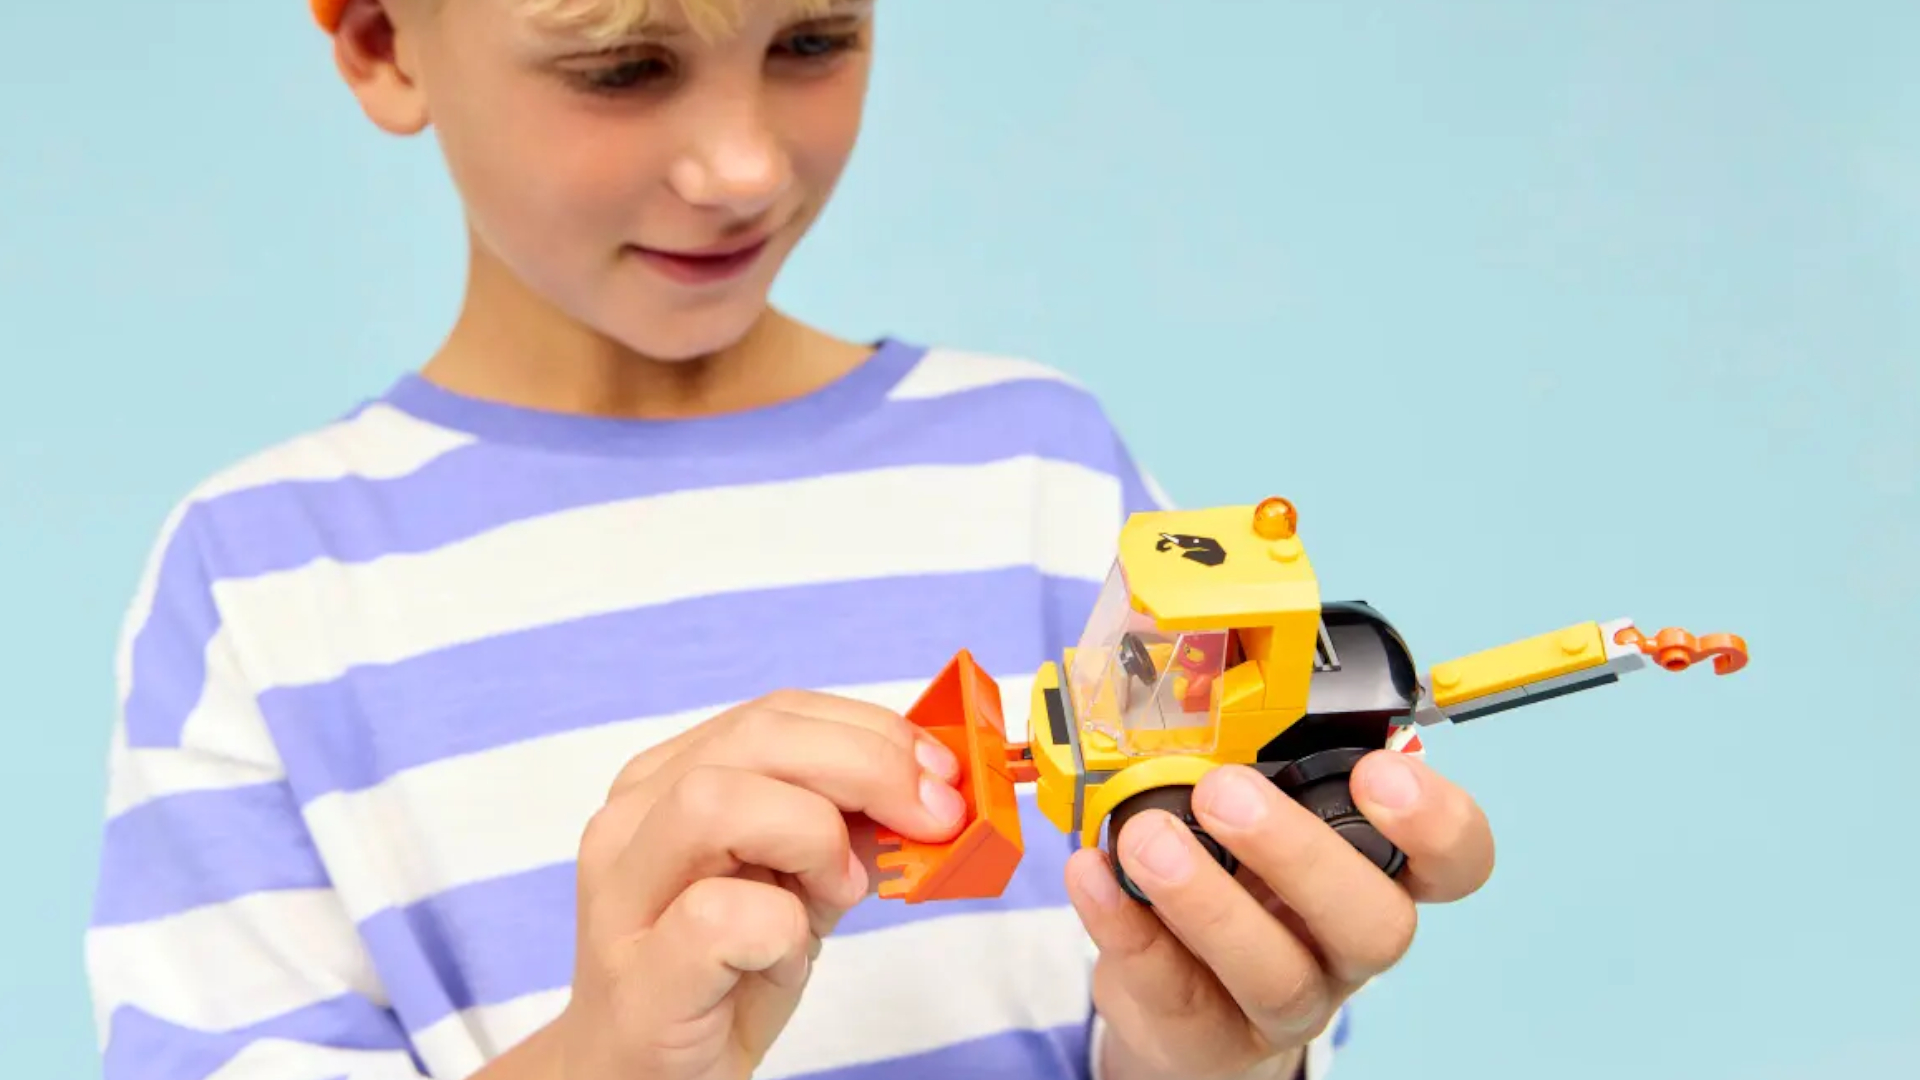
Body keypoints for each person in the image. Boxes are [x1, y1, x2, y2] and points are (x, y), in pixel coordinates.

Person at [83, 1, 1497, 1078]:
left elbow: (1192, 1014)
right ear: (385, 39)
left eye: (814, 37)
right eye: (623, 65)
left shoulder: (1043, 471)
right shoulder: (261, 579)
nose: (743, 165)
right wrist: (606, 1057)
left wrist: (1213, 1047)